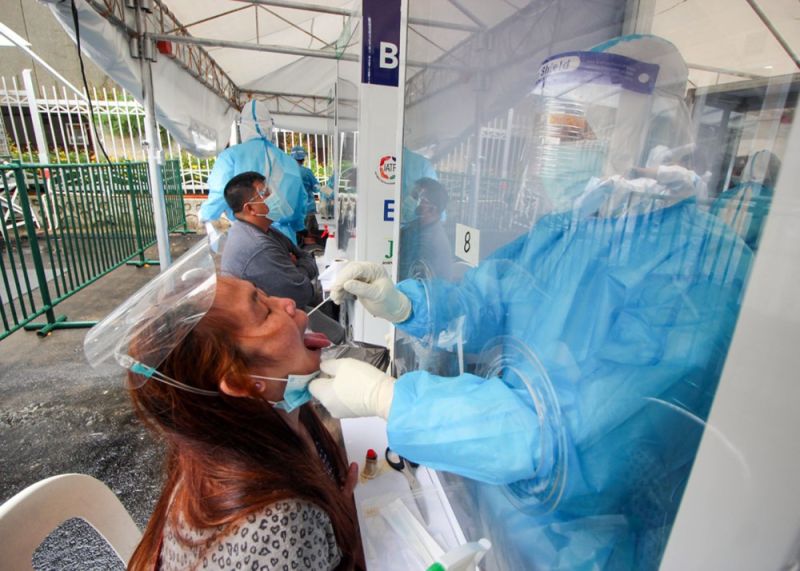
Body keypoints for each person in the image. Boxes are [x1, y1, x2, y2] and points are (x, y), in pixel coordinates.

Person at [309, 35, 754, 570]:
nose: (552, 153)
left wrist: (391, 400)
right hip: (495, 511)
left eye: (572, 133)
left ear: (646, 136)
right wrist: (404, 304)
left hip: (586, 548)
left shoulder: (697, 271)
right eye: (550, 132)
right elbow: (488, 299)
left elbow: (567, 440)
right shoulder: (569, 230)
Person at [83, 240, 362, 570]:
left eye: (263, 294)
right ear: (244, 382)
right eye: (265, 312)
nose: (286, 303)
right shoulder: (279, 526)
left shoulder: (249, 436)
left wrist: (336, 514)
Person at [221, 171, 345, 343]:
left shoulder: (265, 231)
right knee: (337, 336)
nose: (274, 196)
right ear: (250, 208)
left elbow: (304, 256)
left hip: (283, 309)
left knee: (335, 329)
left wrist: (297, 266)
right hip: (265, 325)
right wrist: (298, 267)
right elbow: (302, 292)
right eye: (265, 193)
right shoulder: (258, 246)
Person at [200, 100, 307, 245]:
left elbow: (219, 195)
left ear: (243, 127)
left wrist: (206, 214)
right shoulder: (289, 163)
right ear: (270, 125)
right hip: (284, 237)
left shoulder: (230, 157)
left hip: (247, 237)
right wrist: (298, 226)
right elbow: (300, 203)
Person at [397, 177, 452, 281]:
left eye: (416, 197)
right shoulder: (416, 228)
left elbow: (416, 285)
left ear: (432, 209)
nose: (409, 200)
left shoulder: (430, 244)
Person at [290, 144, 322, 244]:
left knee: (296, 238)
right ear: (303, 159)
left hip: (292, 210)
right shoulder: (307, 172)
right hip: (308, 210)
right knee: (309, 237)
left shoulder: (287, 172)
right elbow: (317, 188)